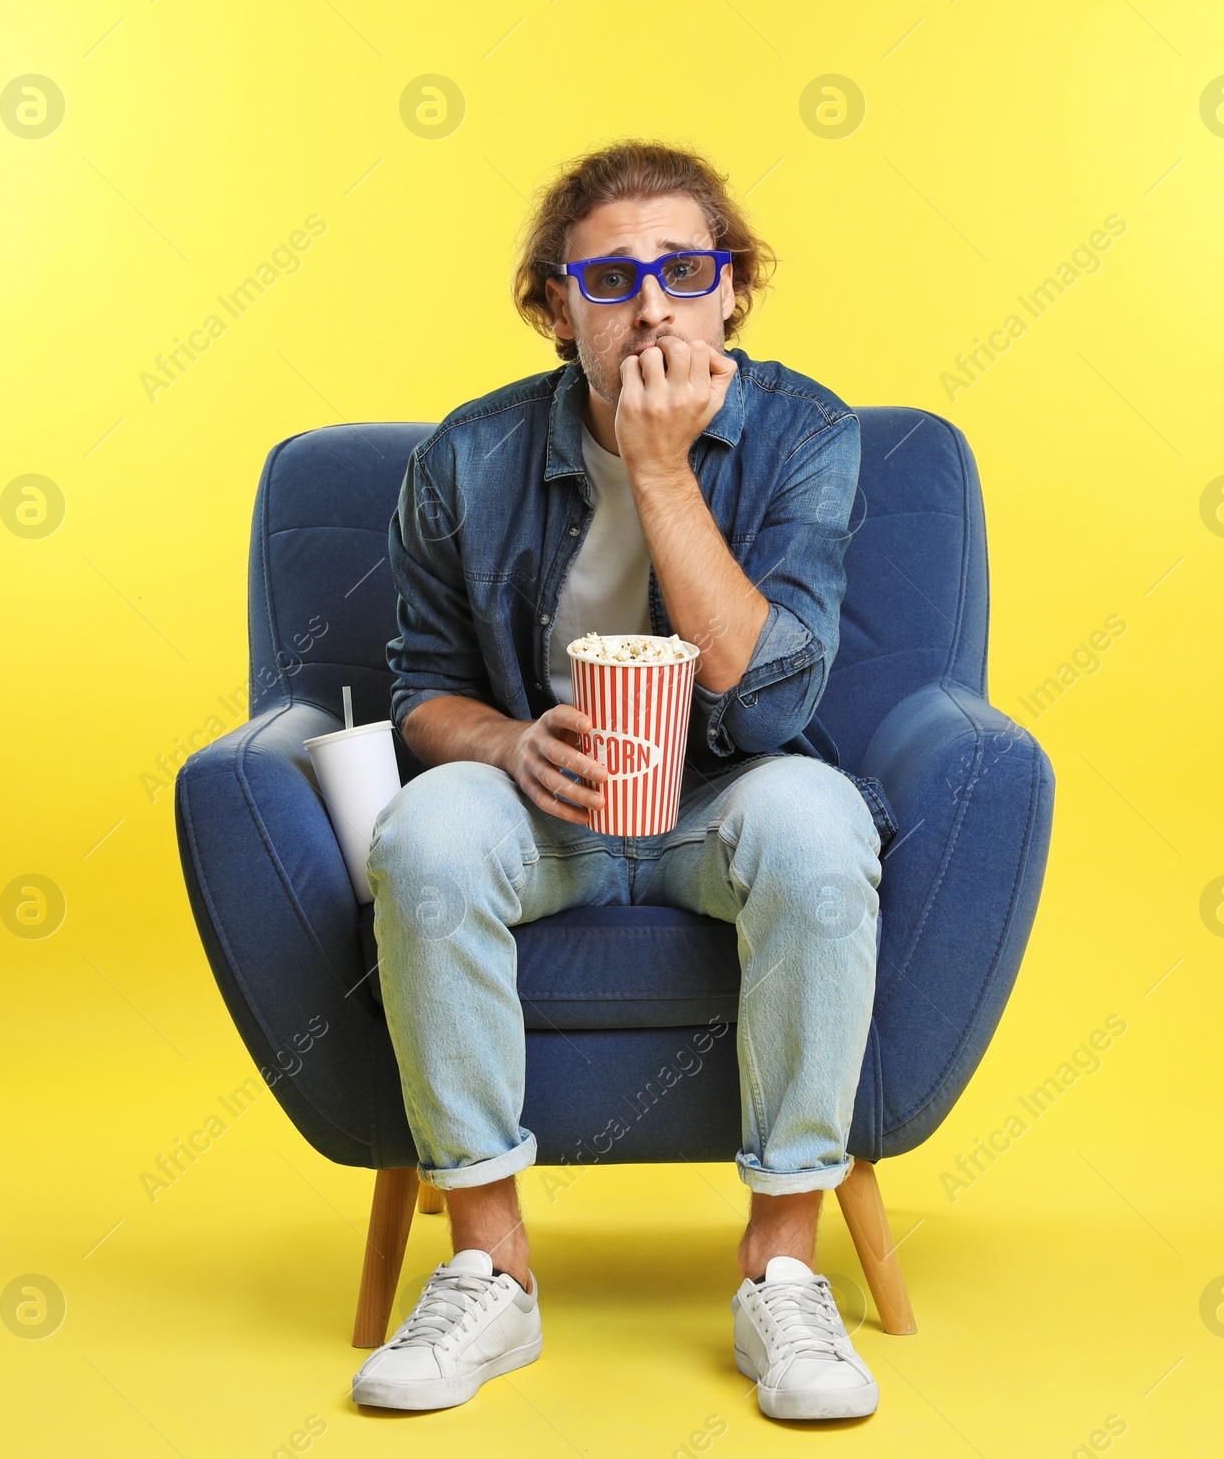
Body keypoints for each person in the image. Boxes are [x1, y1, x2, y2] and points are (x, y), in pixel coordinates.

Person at [352, 139, 899, 1422]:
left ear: (733, 294)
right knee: (426, 834)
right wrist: (501, 744)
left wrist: (659, 469)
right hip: (547, 805)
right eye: (610, 278)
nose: (652, 304)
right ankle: (490, 1266)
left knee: (821, 830)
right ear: (557, 310)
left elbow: (771, 702)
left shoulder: (805, 434)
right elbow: (417, 682)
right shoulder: (469, 457)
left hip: (728, 798)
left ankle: (782, 1272)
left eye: (684, 270)